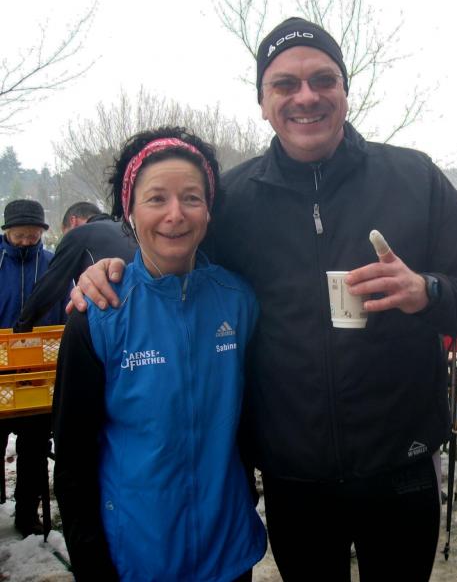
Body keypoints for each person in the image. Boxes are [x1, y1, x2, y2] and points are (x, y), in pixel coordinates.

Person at [70, 18, 457, 582]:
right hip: (295, 484)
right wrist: (110, 272)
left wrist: (429, 292)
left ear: (345, 91)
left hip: (401, 467)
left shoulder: (413, 178)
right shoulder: (234, 201)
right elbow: (174, 267)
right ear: (262, 102)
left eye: (323, 79)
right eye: (284, 84)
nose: (306, 96)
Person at [53, 127, 266, 581]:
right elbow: (73, 461)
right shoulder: (98, 315)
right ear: (129, 211)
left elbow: (251, 425)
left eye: (191, 198)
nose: (175, 214)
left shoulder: (239, 303)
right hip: (134, 559)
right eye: (156, 199)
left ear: (208, 210)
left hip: (227, 554)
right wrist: (92, 564)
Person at [0, 198, 65, 536]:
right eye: (20, 235)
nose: (27, 241)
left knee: (34, 451)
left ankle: (27, 514)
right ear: (7, 232)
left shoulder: (53, 266)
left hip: (40, 376)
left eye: (33, 234)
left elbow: (68, 309)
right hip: (1, 375)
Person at [14, 202, 137, 332]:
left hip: (112, 321)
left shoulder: (79, 234)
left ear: (73, 221)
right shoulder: (129, 230)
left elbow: (50, 286)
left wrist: (22, 327)